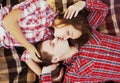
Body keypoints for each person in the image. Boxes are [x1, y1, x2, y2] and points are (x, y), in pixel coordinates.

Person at [38, 12, 120, 83]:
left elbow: (102, 10)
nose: (56, 39)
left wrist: (82, 4)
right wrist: (45, 72)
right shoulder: (73, 74)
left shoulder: (80, 34)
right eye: (52, 44)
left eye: (52, 39)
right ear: (55, 59)